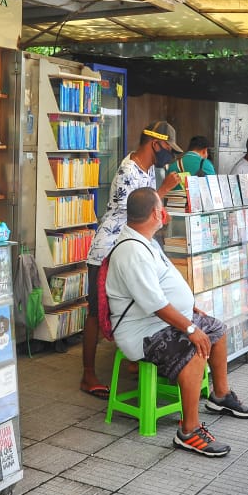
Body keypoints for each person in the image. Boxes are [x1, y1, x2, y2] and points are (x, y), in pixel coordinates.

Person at [106, 188, 248, 457]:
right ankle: (188, 431)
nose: (164, 211)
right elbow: (154, 304)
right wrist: (189, 328)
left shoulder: (146, 240)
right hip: (143, 332)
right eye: (162, 206)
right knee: (194, 349)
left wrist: (191, 310)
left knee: (215, 329)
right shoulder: (131, 251)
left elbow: (164, 289)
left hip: (161, 321)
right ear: (155, 213)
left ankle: (220, 396)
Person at [80, 121, 184, 398]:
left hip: (132, 249)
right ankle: (88, 375)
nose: (169, 156)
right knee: (95, 312)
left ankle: (133, 358)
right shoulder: (128, 170)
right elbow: (135, 213)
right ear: (155, 143)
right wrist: (163, 191)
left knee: (135, 305)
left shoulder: (148, 168)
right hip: (109, 251)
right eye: (167, 149)